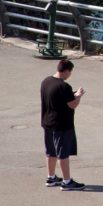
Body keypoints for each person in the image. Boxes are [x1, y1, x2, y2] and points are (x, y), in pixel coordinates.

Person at [41, 59, 85, 191]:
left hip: (47, 121)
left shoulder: (46, 81)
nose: (69, 75)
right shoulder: (64, 86)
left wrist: (72, 95)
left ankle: (51, 177)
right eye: (70, 72)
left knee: (51, 151)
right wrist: (78, 96)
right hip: (62, 124)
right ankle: (67, 182)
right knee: (63, 153)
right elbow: (72, 105)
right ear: (66, 71)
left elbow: (58, 98)